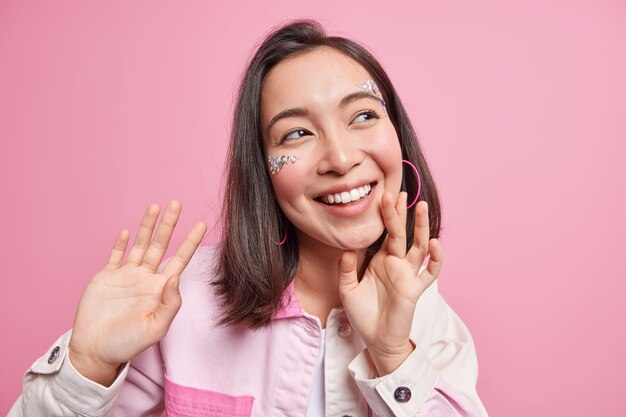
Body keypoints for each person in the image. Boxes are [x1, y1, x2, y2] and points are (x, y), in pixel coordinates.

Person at [9, 19, 489, 417]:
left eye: (363, 116)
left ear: (397, 135)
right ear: (262, 169)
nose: (340, 158)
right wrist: (87, 364)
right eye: (296, 133)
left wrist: (391, 355)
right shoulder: (179, 302)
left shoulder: (426, 317)